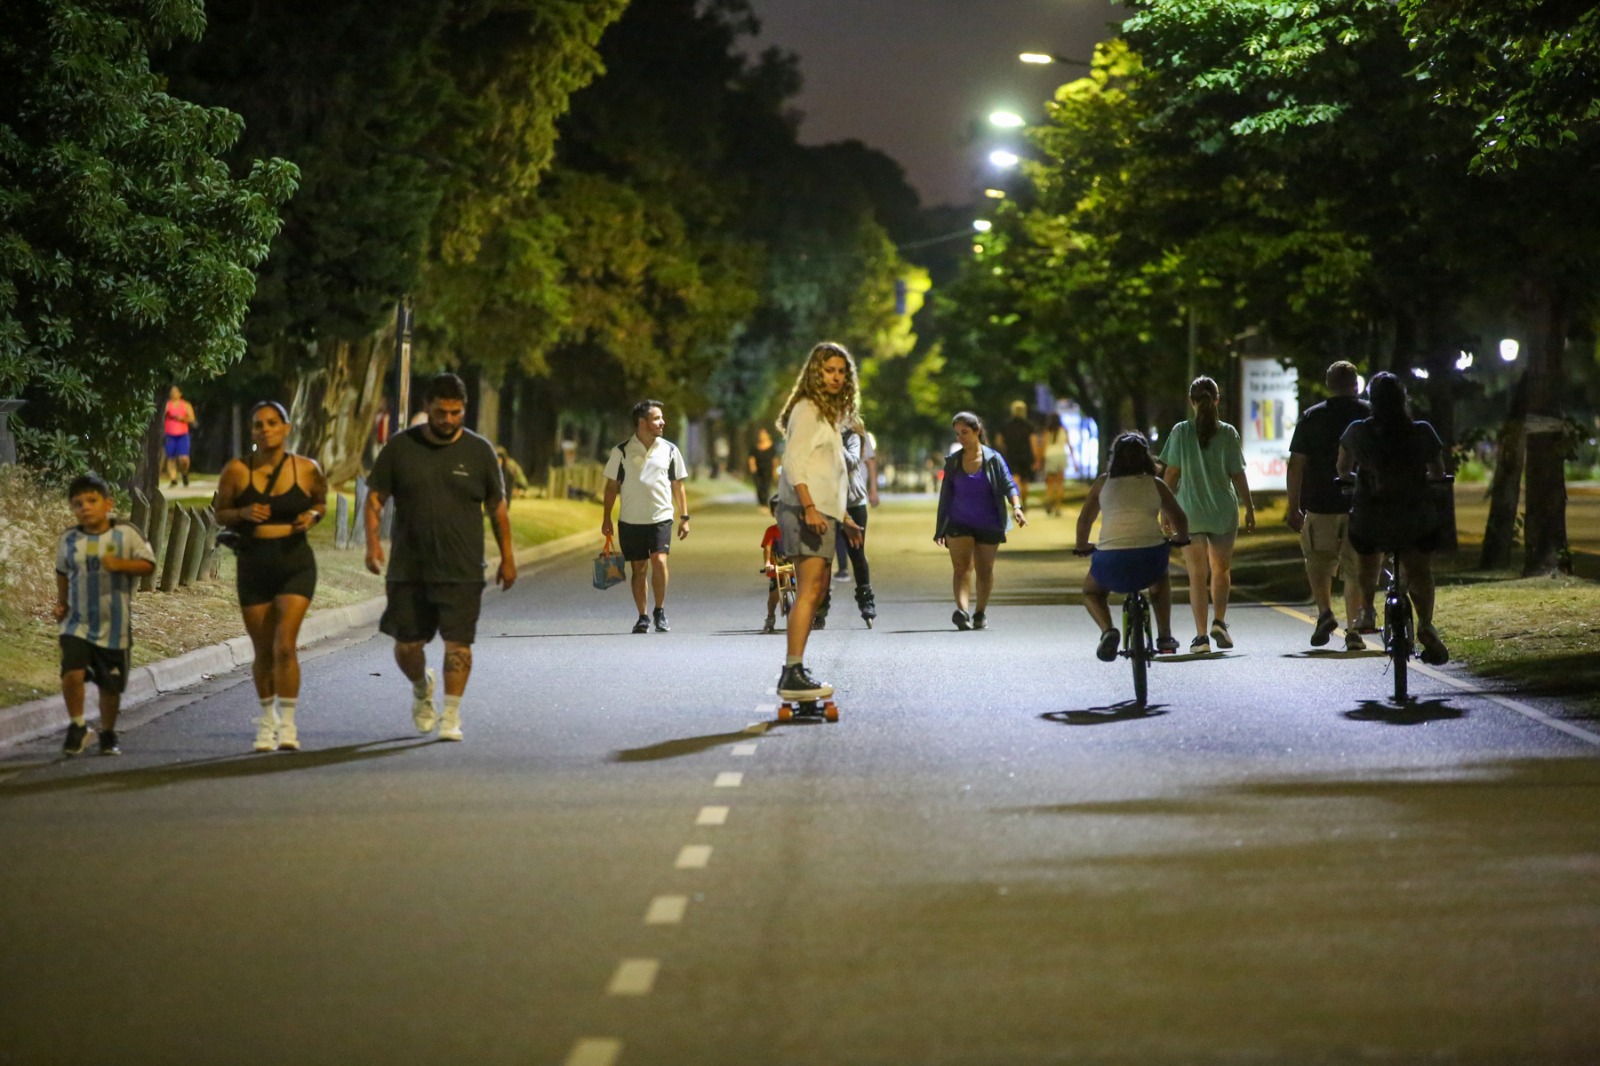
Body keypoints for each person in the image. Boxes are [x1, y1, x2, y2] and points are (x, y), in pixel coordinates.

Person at [366, 372, 515, 742]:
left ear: (464, 409)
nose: (447, 419)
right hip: (409, 568)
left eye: (455, 412)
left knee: (458, 645)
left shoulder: (480, 451)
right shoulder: (400, 448)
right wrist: (372, 544)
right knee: (407, 647)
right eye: (440, 412)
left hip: (462, 569)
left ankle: (451, 714)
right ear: (427, 409)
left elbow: (497, 507)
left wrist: (508, 557)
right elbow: (374, 500)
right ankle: (421, 687)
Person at [214, 401, 327, 752]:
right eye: (258, 425)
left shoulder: (307, 469)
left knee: (284, 645)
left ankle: (289, 725)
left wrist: (311, 515)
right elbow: (220, 513)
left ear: (286, 427)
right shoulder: (236, 470)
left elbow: (321, 503)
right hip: (253, 563)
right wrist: (243, 512)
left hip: (295, 562)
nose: (265, 430)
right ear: (253, 431)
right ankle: (267, 721)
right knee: (263, 649)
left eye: (272, 423)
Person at [1337, 372, 1450, 665]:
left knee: (1367, 557)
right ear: (1404, 399)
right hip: (1415, 520)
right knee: (1420, 570)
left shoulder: (1357, 432)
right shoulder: (1423, 432)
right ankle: (1425, 623)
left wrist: (1350, 480)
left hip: (1370, 520)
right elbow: (1438, 473)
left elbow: (1342, 469)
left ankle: (1367, 610)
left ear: (1371, 401)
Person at [774, 342, 864, 699]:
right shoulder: (808, 408)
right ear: (815, 372)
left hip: (823, 512)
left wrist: (844, 516)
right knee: (810, 591)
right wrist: (810, 507)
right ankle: (792, 669)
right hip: (803, 511)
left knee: (817, 590)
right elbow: (794, 463)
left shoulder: (826, 414)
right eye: (829, 370)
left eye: (842, 371)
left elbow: (826, 472)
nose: (837, 377)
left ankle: (796, 666)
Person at [55, 474, 157, 756]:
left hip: (114, 625)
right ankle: (77, 726)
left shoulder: (126, 534)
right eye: (77, 504)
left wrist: (122, 563)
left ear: (108, 503)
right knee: (71, 674)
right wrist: (61, 603)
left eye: (91, 501)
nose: (84, 508)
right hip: (76, 623)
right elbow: (62, 572)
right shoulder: (69, 539)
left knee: (110, 687)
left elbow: (149, 565)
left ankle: (108, 733)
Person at [1159, 375, 1255, 653]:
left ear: (1191, 402)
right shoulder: (1228, 432)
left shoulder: (1180, 431)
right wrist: (1249, 506)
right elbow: (1238, 474)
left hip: (1189, 514)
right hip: (1223, 512)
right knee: (1221, 570)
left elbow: (1171, 474)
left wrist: (1166, 509)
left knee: (1197, 576)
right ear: (1217, 400)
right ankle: (1219, 622)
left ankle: (1201, 637)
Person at [1286, 360, 1377, 651]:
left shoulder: (1312, 417)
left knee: (1317, 561)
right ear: (1355, 384)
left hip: (1320, 503)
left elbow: (1296, 463)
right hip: (1359, 504)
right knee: (1354, 569)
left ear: (1329, 385)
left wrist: (1293, 506)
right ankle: (1353, 630)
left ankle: (1325, 612)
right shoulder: (1369, 414)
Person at [1076, 433, 1190, 661]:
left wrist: (1081, 546)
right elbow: (1179, 518)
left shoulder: (1102, 483)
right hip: (1149, 559)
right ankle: (1165, 636)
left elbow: (1085, 520)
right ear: (1146, 457)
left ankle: (1108, 630)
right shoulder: (1156, 485)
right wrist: (1180, 539)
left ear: (1115, 458)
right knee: (1160, 581)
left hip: (1110, 561)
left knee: (1091, 592)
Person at [600, 399, 690, 633]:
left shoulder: (670, 450)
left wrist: (685, 516)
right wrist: (606, 518)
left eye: (661, 418)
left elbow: (677, 484)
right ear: (642, 422)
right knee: (638, 569)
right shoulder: (621, 451)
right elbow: (611, 487)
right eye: (657, 418)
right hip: (630, 520)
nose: (663, 422)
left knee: (660, 561)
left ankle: (659, 610)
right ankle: (642, 616)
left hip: (660, 517)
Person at [934, 411, 1026, 630]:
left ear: (977, 431)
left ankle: (979, 613)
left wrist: (1017, 508)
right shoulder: (954, 462)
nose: (961, 438)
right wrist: (940, 529)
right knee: (961, 568)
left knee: (985, 570)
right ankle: (962, 611)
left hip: (989, 522)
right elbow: (945, 496)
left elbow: (1009, 484)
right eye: (957, 434)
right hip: (958, 521)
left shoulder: (993, 459)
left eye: (965, 432)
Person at [840, 420, 880, 624]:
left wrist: (833, 443)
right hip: (824, 502)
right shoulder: (815, 433)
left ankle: (866, 600)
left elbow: (853, 462)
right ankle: (820, 604)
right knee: (822, 557)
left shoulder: (852, 436)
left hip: (852, 501)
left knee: (856, 552)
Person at [993, 400, 1037, 513]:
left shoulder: (1006, 425)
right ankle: (1024, 502)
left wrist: (1004, 449)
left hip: (1011, 456)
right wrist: (1036, 458)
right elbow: (1034, 443)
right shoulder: (1029, 425)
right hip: (1026, 456)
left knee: (1014, 480)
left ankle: (1016, 504)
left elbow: (998, 441)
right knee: (1025, 481)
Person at [162, 385, 197, 488]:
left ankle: (184, 473)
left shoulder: (186, 405)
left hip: (182, 435)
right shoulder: (167, 405)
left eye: (176, 391)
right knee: (171, 458)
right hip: (170, 434)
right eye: (172, 391)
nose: (173, 393)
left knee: (184, 459)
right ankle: (173, 479)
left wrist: (182, 418)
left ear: (180, 393)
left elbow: (191, 418)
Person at [759, 495, 785, 634]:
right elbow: (767, 548)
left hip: (794, 569)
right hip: (778, 569)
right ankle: (770, 616)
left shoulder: (796, 530)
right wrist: (768, 563)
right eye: (777, 511)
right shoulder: (771, 531)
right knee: (774, 593)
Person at [1039, 412, 1071, 516]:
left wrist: (1040, 460)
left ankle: (1050, 499)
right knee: (1060, 483)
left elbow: (1043, 446)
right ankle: (1058, 507)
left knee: (1050, 482)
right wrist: (1074, 461)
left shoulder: (1047, 432)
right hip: (1062, 455)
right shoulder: (1064, 430)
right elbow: (1069, 445)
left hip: (1050, 456)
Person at [748, 427, 778, 507]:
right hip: (758, 470)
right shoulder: (755, 447)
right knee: (759, 486)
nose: (761, 436)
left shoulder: (771, 447)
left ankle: (765, 504)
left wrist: (774, 470)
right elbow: (751, 458)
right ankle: (761, 503)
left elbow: (774, 459)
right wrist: (752, 467)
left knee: (766, 486)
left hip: (768, 469)